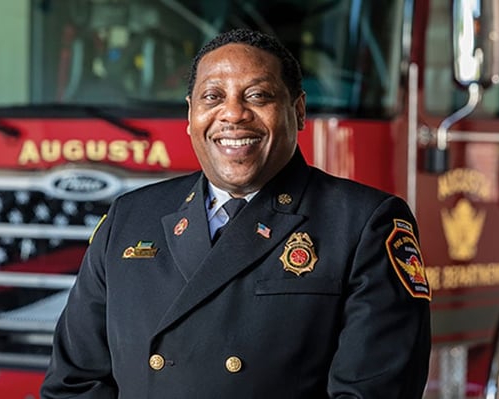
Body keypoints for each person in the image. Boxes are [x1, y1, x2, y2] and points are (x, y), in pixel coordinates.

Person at [41, 28, 431, 398]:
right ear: (190, 115)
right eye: (212, 97)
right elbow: (74, 383)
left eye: (258, 96)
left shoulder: (365, 224)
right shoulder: (129, 218)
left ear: (297, 110)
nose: (233, 114)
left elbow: (374, 391)